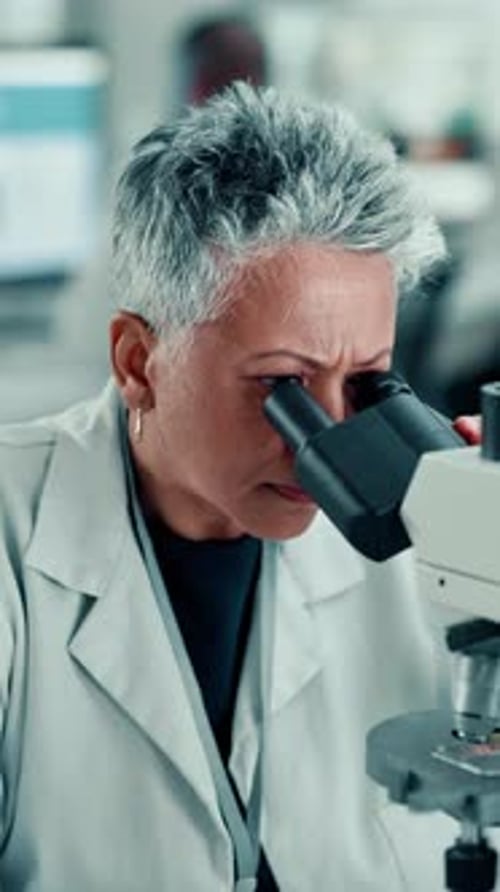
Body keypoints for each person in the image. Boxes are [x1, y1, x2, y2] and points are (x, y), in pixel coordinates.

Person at [0, 82, 483, 892]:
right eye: (284, 387)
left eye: (368, 384)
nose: (330, 446)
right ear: (136, 364)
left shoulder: (415, 537)